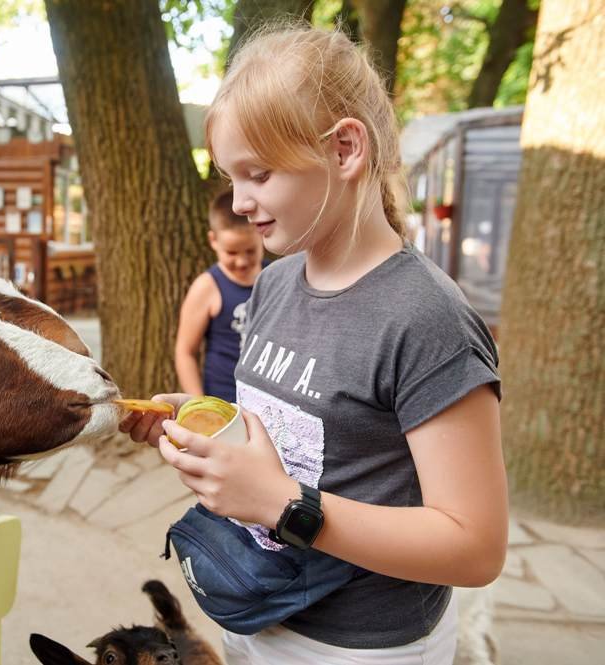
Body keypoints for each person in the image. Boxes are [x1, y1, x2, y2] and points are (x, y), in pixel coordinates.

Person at [120, 25, 506, 664]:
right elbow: (290, 424)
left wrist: (279, 503)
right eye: (230, 177)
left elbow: (475, 546)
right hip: (253, 612)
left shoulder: (426, 318)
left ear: (346, 149)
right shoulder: (272, 283)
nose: (240, 202)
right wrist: (202, 422)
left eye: (259, 173)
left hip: (356, 647)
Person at [175, 190, 266, 402]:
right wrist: (198, 404)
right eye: (232, 253)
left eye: (250, 251)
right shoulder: (206, 287)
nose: (242, 262)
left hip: (270, 403)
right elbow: (185, 351)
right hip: (224, 401)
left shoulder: (277, 277)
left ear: (262, 233)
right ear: (213, 240)